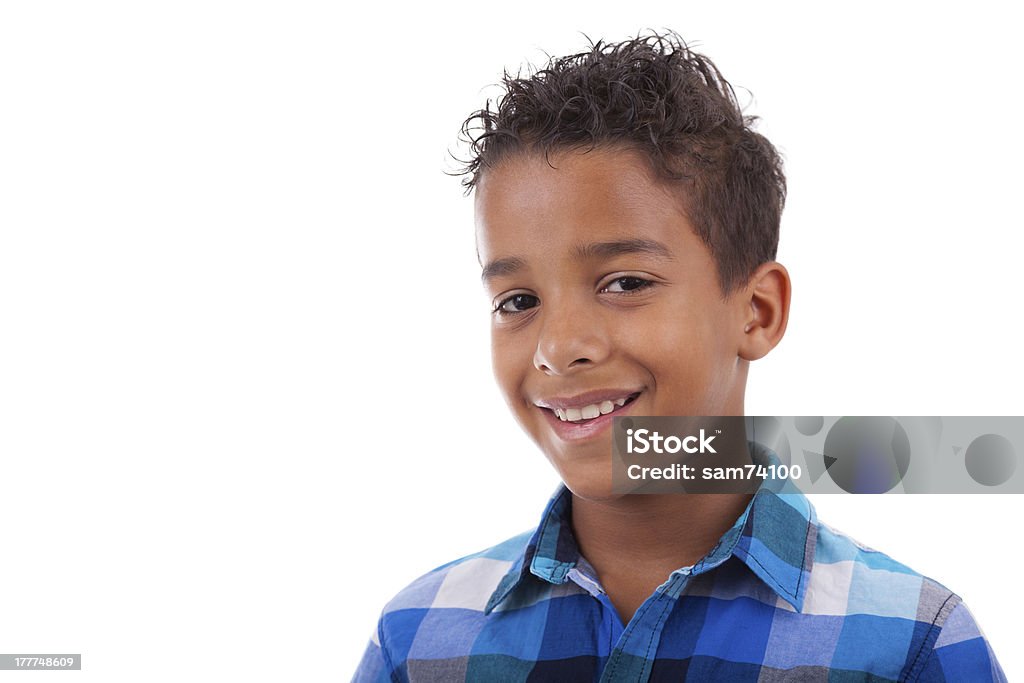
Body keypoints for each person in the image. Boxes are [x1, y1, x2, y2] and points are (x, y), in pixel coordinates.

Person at [352, 31, 1007, 682]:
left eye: (626, 283)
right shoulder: (417, 644)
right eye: (518, 299)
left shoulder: (911, 646)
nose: (558, 348)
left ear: (757, 311)